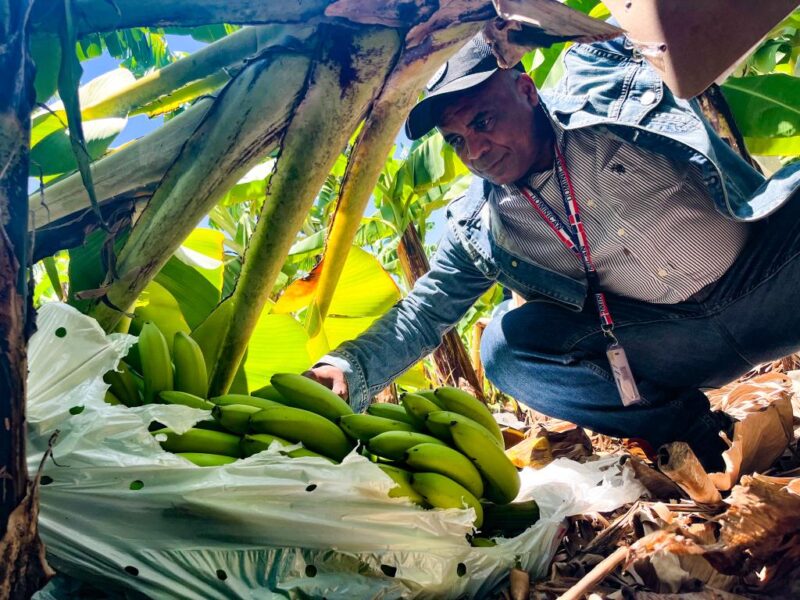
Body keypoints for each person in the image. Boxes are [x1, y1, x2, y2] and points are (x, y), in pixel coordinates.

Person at [306, 32, 800, 478]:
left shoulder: (609, 85)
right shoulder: (484, 224)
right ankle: (693, 438)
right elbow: (422, 313)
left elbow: (668, 25)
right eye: (457, 140)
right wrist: (349, 369)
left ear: (525, 90)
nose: (475, 151)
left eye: (483, 121)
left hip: (769, 279)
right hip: (663, 341)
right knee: (505, 347)